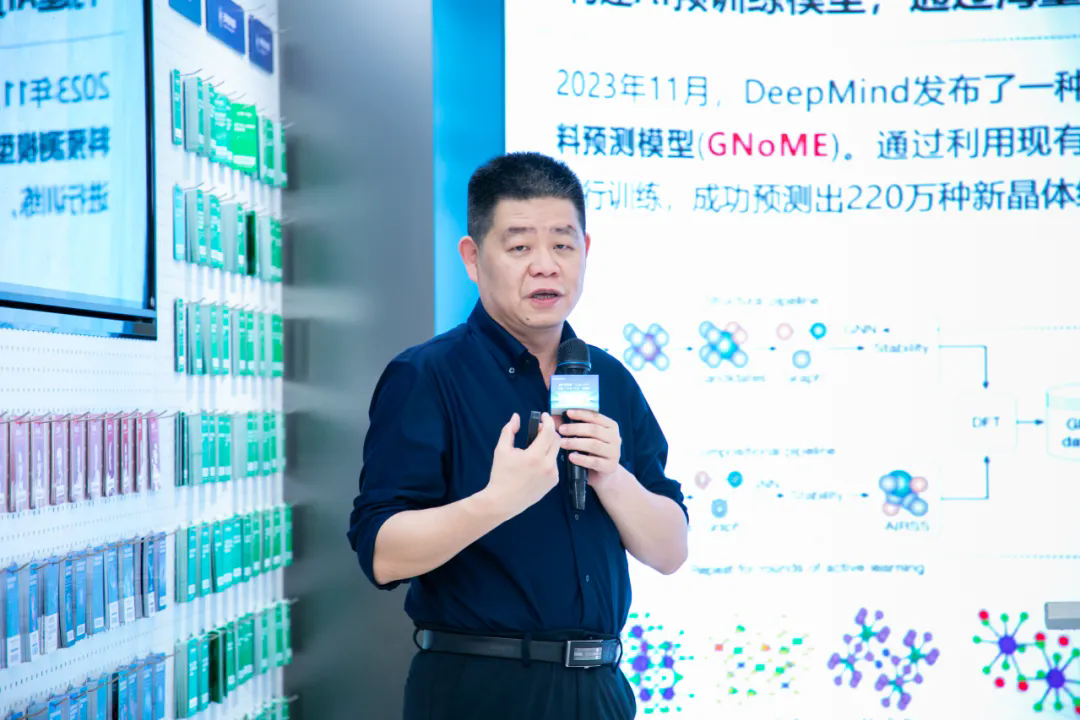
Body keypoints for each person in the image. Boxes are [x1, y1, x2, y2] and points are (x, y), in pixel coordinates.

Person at [346, 151, 689, 720]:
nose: (546, 266)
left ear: (586, 251)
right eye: (520, 247)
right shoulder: (427, 376)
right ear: (473, 257)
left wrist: (611, 476)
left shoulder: (610, 379)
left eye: (563, 245)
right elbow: (381, 554)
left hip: (601, 689)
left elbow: (671, 550)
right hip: (479, 688)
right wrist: (497, 501)